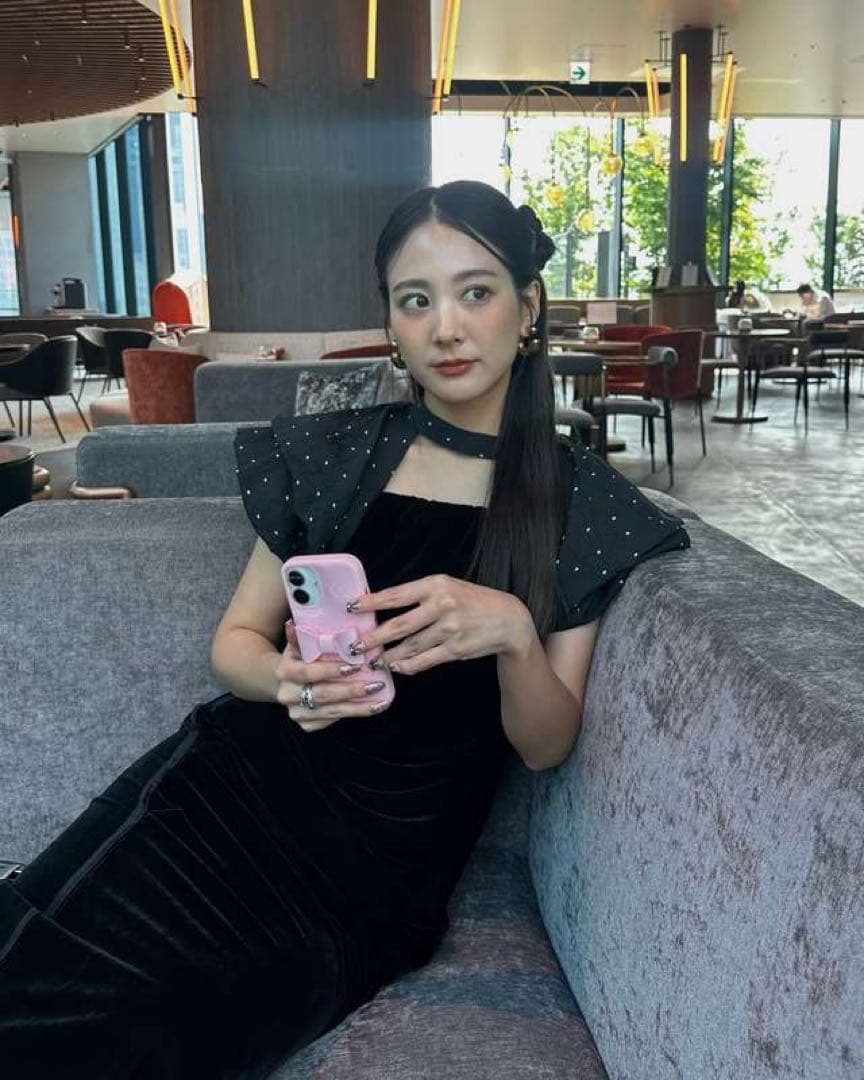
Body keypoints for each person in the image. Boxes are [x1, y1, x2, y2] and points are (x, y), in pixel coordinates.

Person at [0, 180, 689, 1076]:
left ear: (527, 309)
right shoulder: (333, 453)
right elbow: (235, 644)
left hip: (372, 884)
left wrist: (516, 633)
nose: (446, 327)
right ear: (392, 324)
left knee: (155, 1048)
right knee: (29, 974)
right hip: (224, 792)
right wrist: (287, 679)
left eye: (476, 292)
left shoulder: (579, 501)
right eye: (416, 300)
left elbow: (545, 745)